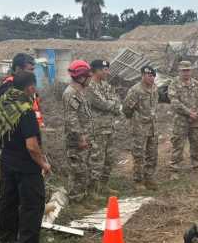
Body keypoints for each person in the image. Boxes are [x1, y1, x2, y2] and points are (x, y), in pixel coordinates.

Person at [0, 72, 51, 243]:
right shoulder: (26, 110)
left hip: (7, 160)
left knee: (8, 201)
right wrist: (43, 164)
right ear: (30, 87)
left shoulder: (3, 102)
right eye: (34, 86)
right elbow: (32, 146)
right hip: (26, 165)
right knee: (32, 205)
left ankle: (6, 238)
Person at [86, 60, 121, 193]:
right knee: (96, 159)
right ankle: (93, 190)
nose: (107, 72)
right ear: (97, 70)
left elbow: (117, 100)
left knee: (109, 158)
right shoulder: (90, 86)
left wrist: (112, 104)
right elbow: (101, 103)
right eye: (105, 70)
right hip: (97, 129)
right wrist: (112, 104)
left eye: (107, 69)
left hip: (109, 127)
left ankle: (104, 185)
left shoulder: (106, 84)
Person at [123, 65, 159, 191]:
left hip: (152, 127)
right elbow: (126, 109)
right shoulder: (135, 90)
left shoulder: (155, 88)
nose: (151, 78)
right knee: (139, 155)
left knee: (152, 154)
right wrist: (136, 119)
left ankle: (149, 178)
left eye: (153, 76)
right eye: (149, 76)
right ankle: (138, 181)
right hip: (139, 128)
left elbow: (155, 105)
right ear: (143, 75)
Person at [62, 59, 94, 202]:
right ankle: (76, 199)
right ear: (81, 77)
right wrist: (80, 138)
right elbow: (71, 119)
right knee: (77, 171)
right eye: (88, 76)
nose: (90, 79)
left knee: (83, 169)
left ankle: (82, 197)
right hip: (76, 140)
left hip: (83, 138)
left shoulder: (79, 92)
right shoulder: (71, 93)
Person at [169, 60, 198, 172]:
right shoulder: (174, 84)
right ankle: (174, 166)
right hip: (181, 121)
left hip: (196, 120)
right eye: (183, 70)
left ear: (191, 71)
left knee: (196, 142)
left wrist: (197, 112)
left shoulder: (196, 84)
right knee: (178, 143)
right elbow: (174, 101)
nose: (186, 73)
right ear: (179, 71)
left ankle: (195, 163)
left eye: (188, 70)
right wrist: (189, 113)